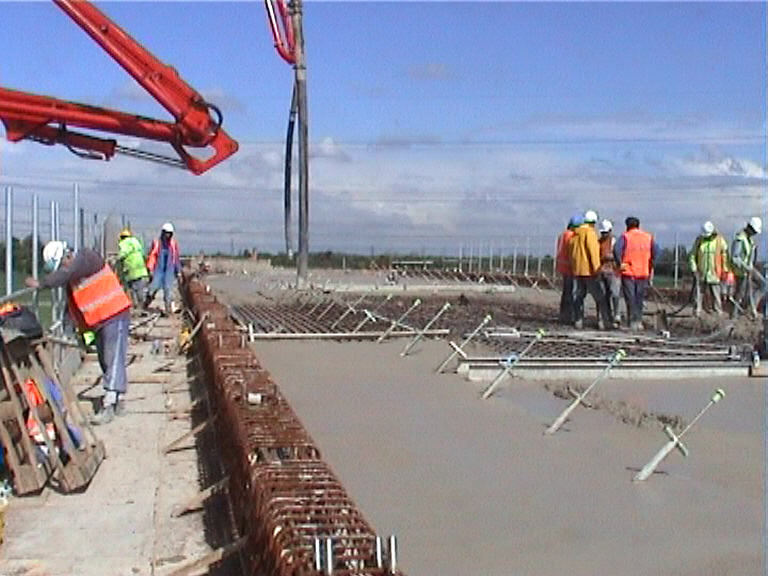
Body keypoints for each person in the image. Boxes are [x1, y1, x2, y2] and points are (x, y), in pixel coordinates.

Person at [26, 241, 131, 424]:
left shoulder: (86, 258)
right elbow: (75, 309)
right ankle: (118, 399)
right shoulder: (73, 278)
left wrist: (40, 284)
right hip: (101, 321)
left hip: (115, 313)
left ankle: (109, 404)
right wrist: (82, 334)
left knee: (112, 357)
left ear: (67, 256)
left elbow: (66, 273)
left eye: (60, 266)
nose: (62, 270)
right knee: (106, 360)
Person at [568, 210, 612, 330]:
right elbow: (593, 253)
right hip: (589, 272)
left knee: (578, 297)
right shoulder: (590, 233)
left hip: (577, 272)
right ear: (593, 222)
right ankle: (602, 322)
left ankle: (578, 321)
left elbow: (571, 255)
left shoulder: (574, 236)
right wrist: (597, 269)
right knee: (600, 297)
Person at [614, 216, 659, 330]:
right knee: (639, 298)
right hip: (643, 272)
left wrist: (620, 263)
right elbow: (657, 251)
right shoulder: (648, 237)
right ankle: (638, 321)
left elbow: (616, 250)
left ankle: (632, 322)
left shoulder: (625, 236)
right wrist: (651, 263)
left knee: (630, 298)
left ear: (627, 226)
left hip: (628, 272)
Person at [688, 221, 729, 317]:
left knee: (716, 295)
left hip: (715, 273)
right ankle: (697, 312)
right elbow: (692, 255)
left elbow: (725, 257)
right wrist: (694, 268)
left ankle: (718, 313)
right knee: (698, 294)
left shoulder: (719, 241)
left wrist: (725, 271)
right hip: (701, 273)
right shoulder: (699, 240)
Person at [730, 216, 765, 319]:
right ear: (750, 228)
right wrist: (745, 267)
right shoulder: (740, 239)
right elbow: (734, 258)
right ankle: (734, 316)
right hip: (742, 271)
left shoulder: (749, 239)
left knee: (763, 285)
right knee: (739, 294)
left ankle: (750, 309)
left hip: (749, 269)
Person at [144, 222, 181, 315]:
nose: (168, 235)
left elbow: (176, 258)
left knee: (168, 290)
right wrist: (150, 268)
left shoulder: (173, 244)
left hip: (169, 271)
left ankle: (168, 309)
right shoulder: (157, 243)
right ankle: (145, 304)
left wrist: (178, 271)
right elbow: (153, 256)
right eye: (166, 233)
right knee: (153, 288)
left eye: (169, 233)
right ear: (163, 233)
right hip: (158, 270)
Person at [556, 214, 581, 324]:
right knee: (571, 293)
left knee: (566, 292)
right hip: (570, 268)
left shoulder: (563, 235)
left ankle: (564, 314)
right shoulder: (571, 236)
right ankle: (569, 315)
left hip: (562, 267)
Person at [598, 219, 622, 327]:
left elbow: (620, 255)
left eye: (605, 232)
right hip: (602, 271)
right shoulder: (599, 242)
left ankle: (617, 315)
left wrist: (612, 257)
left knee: (615, 294)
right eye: (602, 233)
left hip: (613, 271)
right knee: (603, 295)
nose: (603, 234)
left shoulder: (615, 241)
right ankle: (605, 318)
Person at [116, 228, 149, 307]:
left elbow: (121, 256)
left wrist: (119, 274)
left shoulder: (123, 244)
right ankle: (141, 306)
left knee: (132, 290)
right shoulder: (137, 243)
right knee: (140, 290)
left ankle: (135, 307)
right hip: (141, 271)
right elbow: (144, 255)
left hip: (131, 271)